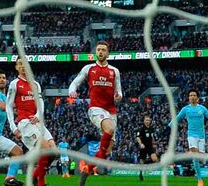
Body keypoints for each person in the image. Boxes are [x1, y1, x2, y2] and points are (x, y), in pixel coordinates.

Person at [69, 41, 122, 185]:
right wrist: (72, 91)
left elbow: (119, 91)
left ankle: (87, 169)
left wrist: (119, 96)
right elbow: (74, 83)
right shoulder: (89, 68)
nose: (100, 52)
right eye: (98, 50)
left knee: (106, 152)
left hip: (111, 111)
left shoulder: (114, 71)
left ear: (107, 53)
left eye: (103, 50)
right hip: (96, 108)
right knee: (110, 129)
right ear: (95, 52)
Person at [7, 59, 56, 186]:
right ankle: (40, 182)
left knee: (54, 153)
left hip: (37, 122)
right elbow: (8, 106)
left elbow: (41, 103)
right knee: (45, 149)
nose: (23, 66)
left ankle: (34, 177)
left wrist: (38, 115)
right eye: (20, 64)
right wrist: (13, 127)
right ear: (16, 67)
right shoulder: (14, 84)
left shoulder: (35, 84)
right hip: (25, 123)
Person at [166, 89, 208, 186]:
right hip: (191, 135)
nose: (192, 97)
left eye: (194, 95)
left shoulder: (202, 109)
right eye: (190, 95)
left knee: (200, 158)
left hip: (201, 136)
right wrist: (168, 127)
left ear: (197, 98)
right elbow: (177, 118)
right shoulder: (185, 109)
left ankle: (191, 155)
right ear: (188, 98)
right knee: (195, 156)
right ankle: (199, 180)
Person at [136, 115, 158, 181]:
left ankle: (146, 165)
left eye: (148, 120)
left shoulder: (151, 129)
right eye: (146, 120)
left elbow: (152, 137)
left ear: (150, 121)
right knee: (142, 161)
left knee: (155, 159)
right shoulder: (141, 129)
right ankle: (140, 174)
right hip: (143, 147)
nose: (147, 121)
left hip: (150, 147)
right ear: (144, 121)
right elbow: (138, 137)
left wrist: (154, 143)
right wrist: (141, 144)